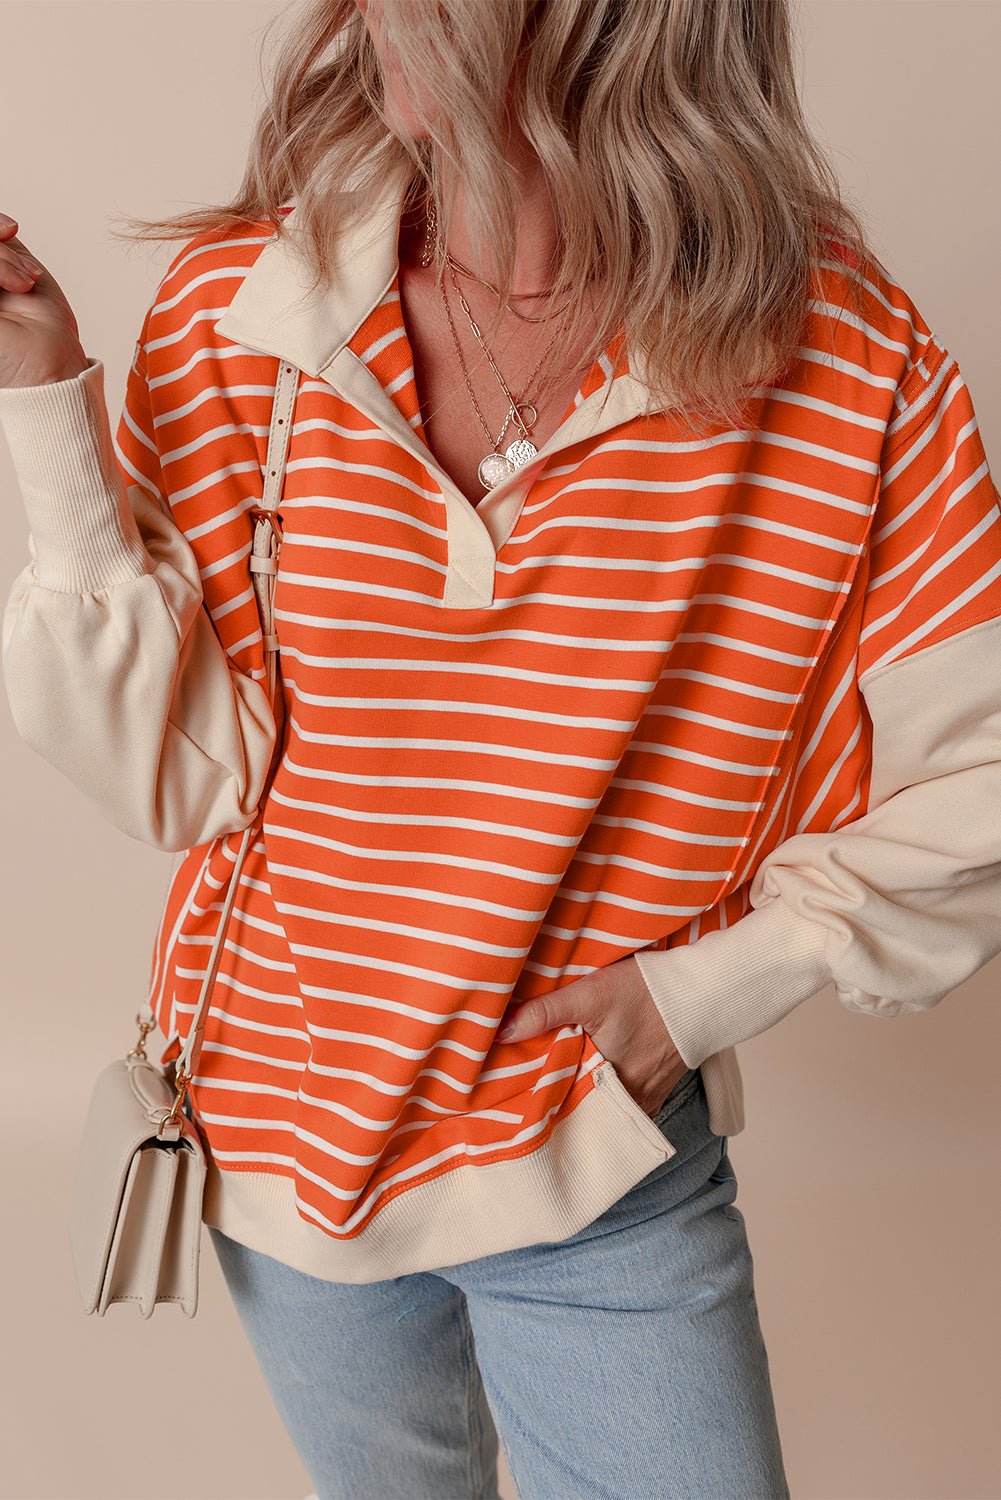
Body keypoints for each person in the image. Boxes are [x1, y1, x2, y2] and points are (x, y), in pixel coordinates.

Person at [2, 1, 999, 1497]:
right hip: (281, 1133)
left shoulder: (844, 362)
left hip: (593, 1153)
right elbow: (175, 778)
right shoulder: (253, 310)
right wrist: (45, 404)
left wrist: (703, 995)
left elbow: (982, 777)